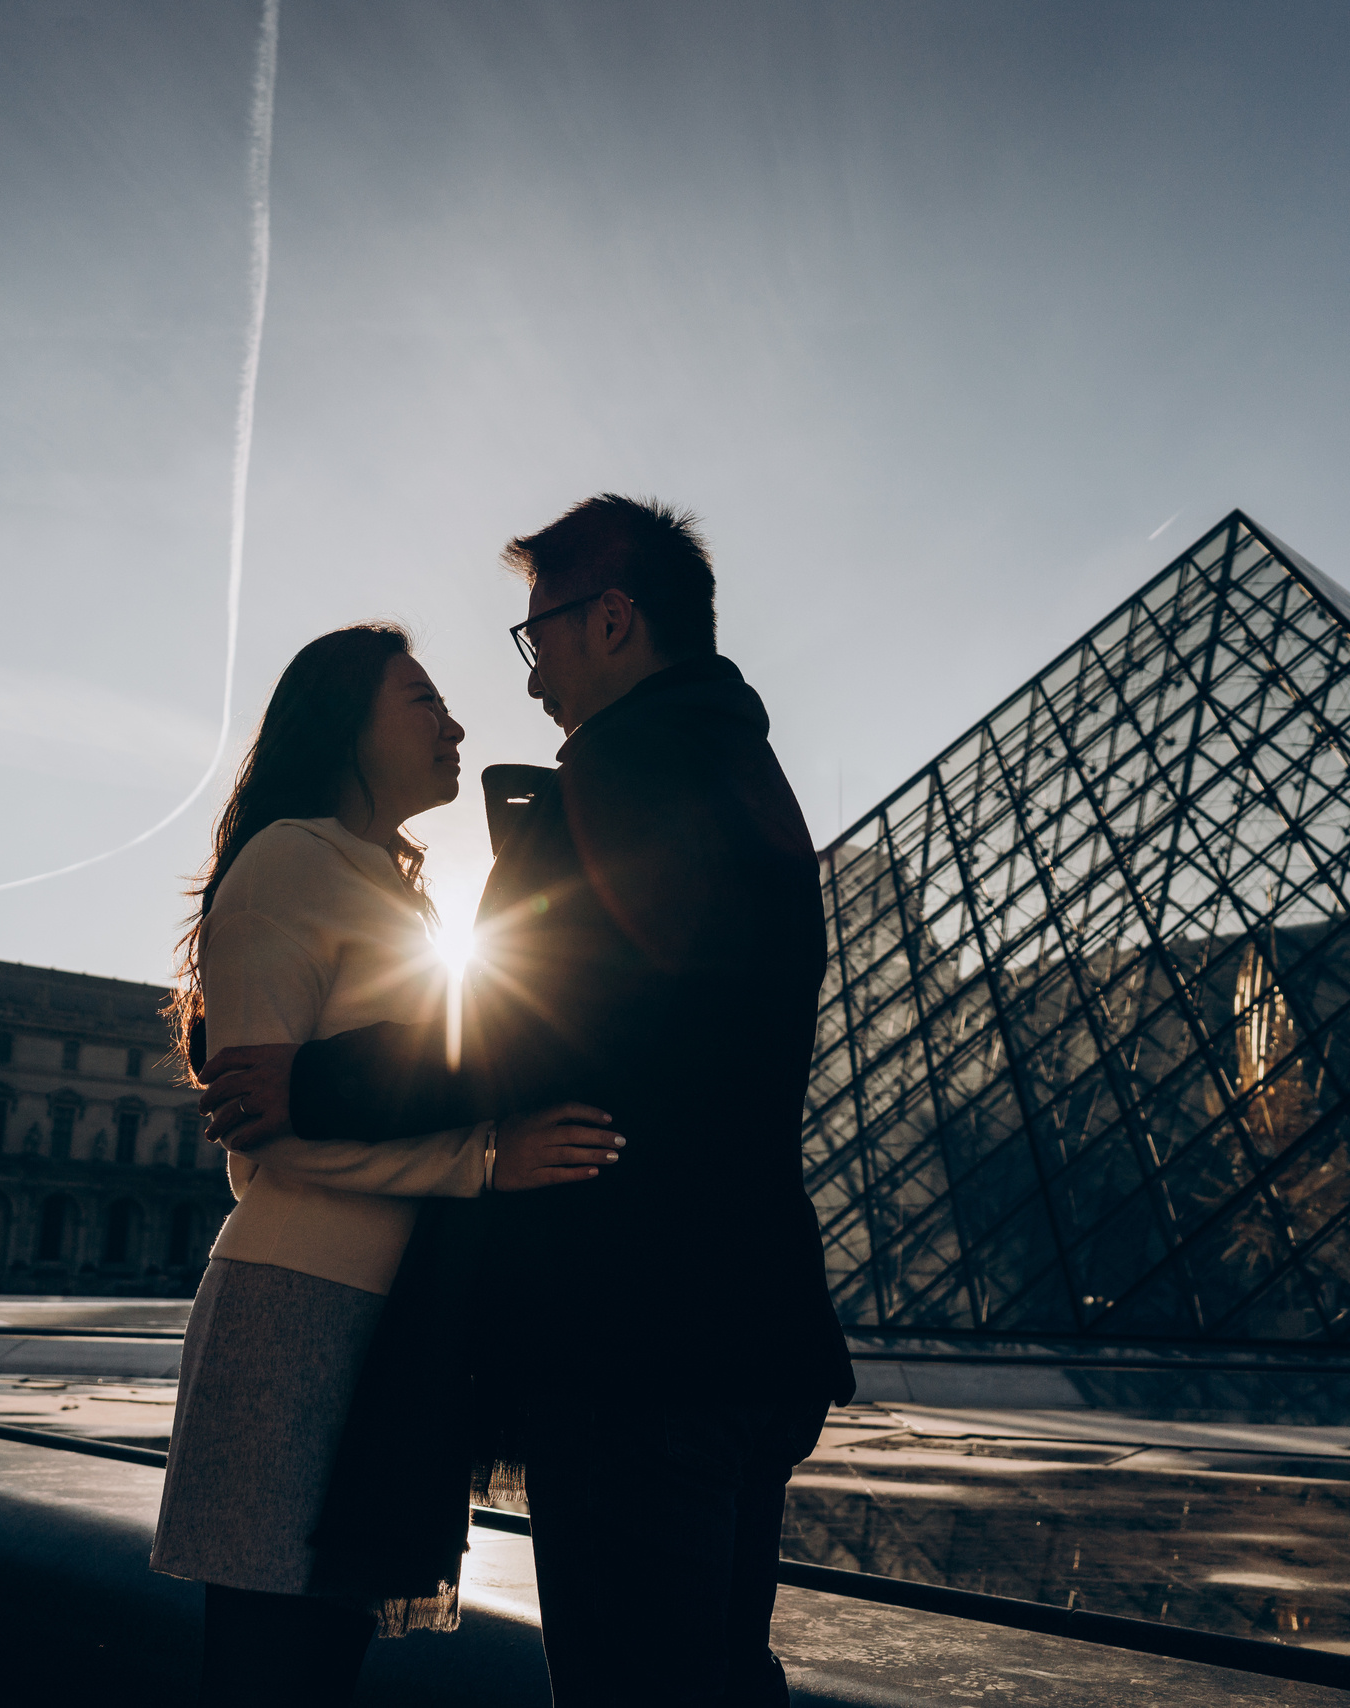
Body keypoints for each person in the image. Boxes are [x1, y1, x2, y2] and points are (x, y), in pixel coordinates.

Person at [204, 496, 857, 1708]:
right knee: (719, 1677)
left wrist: (316, 1078)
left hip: (637, 1328)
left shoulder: (622, 768)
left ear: (611, 619)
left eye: (538, 634)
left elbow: (531, 1018)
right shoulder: (742, 765)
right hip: (752, 1322)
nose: (531, 671)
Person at [151, 623, 618, 1708]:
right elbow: (261, 1122)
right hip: (297, 1301)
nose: (456, 723)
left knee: (320, 1659)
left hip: (388, 1311)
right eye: (422, 700)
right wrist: (485, 1160)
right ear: (343, 723)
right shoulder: (285, 861)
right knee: (273, 1662)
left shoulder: (395, 889)